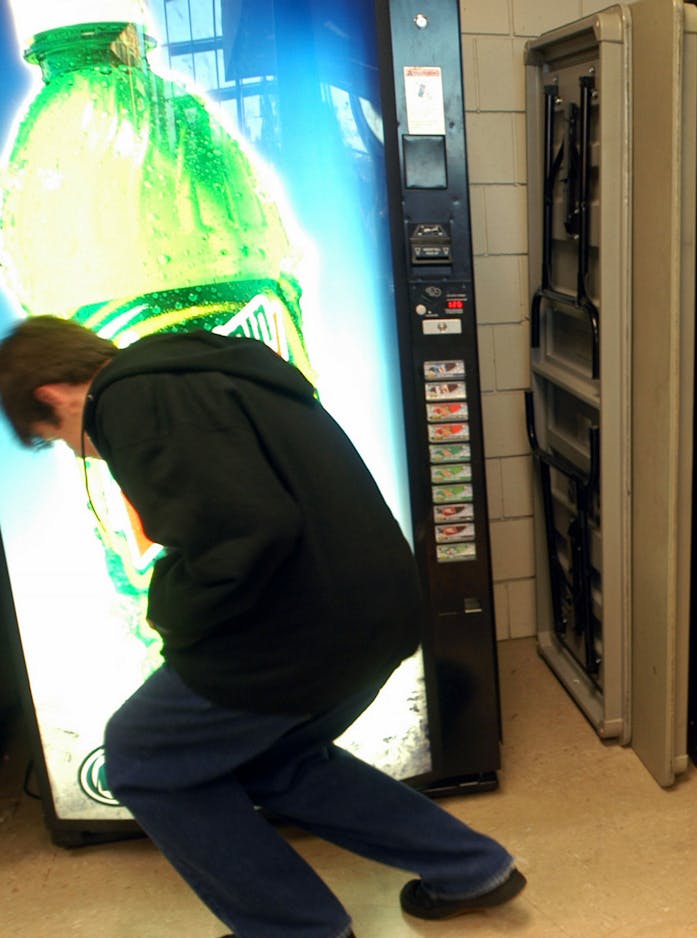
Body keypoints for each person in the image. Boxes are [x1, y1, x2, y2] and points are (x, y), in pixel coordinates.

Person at [0, 317, 524, 937]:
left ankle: (293, 928)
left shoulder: (133, 400)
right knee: (278, 761)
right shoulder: (204, 370)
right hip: (378, 611)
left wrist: (168, 611)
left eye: (58, 436)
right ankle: (471, 869)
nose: (76, 448)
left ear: (53, 396)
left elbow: (244, 534)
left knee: (142, 755)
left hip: (304, 628)